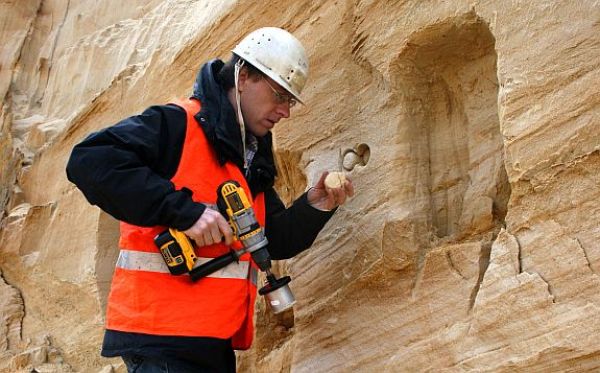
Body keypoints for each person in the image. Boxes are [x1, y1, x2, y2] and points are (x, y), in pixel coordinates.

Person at [66, 27, 354, 372]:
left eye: (290, 101)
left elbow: (272, 239)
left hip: (212, 344)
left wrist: (315, 205)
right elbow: (89, 160)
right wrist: (183, 212)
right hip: (162, 339)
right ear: (243, 76)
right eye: (279, 94)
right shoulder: (176, 124)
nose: (285, 111)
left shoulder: (249, 157)